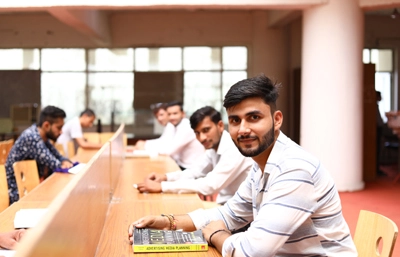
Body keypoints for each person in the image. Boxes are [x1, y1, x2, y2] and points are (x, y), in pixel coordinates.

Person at [128, 75, 357, 256]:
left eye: (254, 117)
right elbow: (229, 214)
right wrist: (167, 222)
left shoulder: (294, 169)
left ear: (277, 120)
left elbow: (253, 251)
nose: (243, 129)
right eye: (236, 120)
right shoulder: (261, 164)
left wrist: (217, 234)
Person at [135, 106, 253, 205]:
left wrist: (162, 187)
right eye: (197, 133)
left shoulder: (234, 148)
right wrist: (165, 177)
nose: (201, 138)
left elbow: (210, 186)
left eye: (206, 130)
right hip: (225, 206)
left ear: (220, 126)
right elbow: (195, 171)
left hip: (238, 213)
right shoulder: (214, 147)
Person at [5, 106, 73, 204]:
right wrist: (63, 163)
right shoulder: (32, 137)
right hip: (17, 192)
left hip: (30, 185)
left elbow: (58, 157)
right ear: (46, 125)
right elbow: (55, 164)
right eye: (59, 127)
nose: (61, 132)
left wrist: (64, 161)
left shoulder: (41, 136)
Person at [140, 101, 204, 170]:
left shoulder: (187, 127)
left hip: (190, 168)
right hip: (181, 165)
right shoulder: (175, 126)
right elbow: (164, 142)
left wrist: (145, 145)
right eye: (169, 114)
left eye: (175, 113)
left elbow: (169, 151)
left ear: (183, 114)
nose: (172, 117)